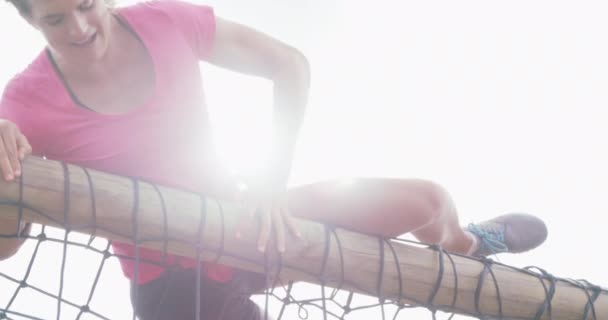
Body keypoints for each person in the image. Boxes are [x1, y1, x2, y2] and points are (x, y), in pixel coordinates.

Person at [0, 0, 548, 319]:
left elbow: (289, 65)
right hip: (170, 283)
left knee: (428, 200)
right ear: (30, 22)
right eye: (54, 19)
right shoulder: (23, 104)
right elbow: (7, 247)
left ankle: (470, 244)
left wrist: (270, 180)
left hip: (249, 225)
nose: (79, 27)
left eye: (86, 2)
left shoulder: (165, 21)